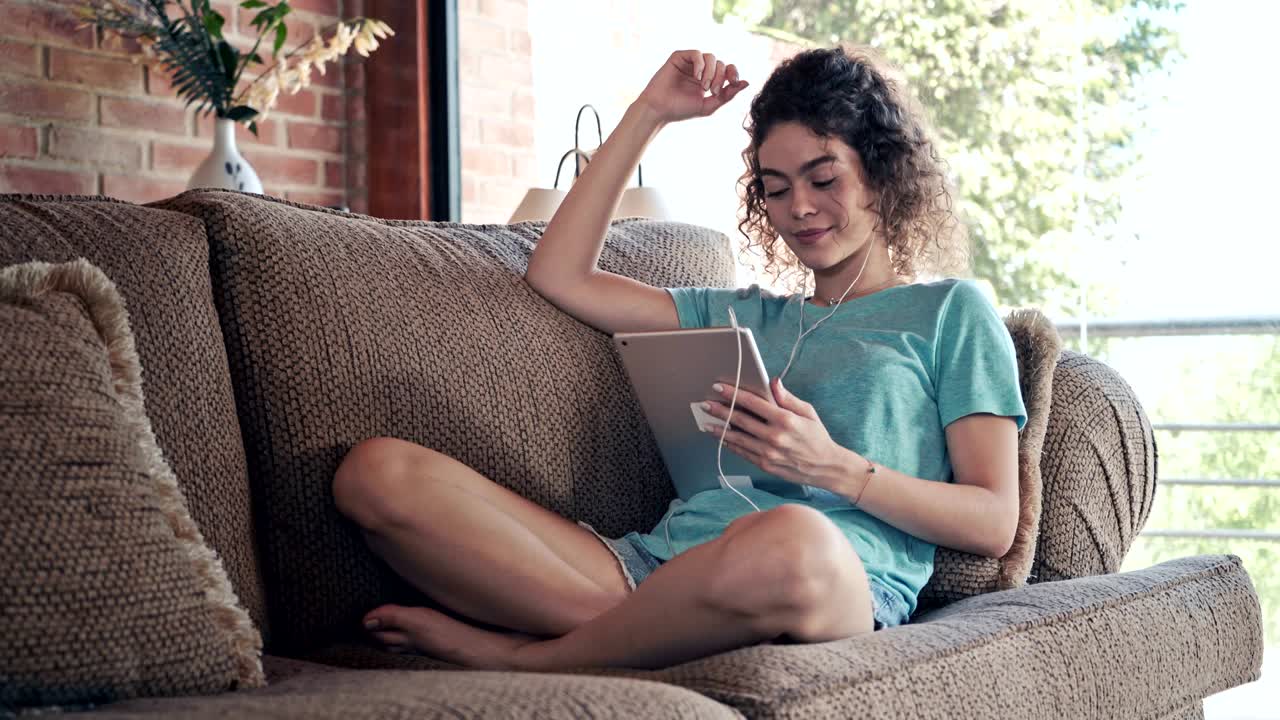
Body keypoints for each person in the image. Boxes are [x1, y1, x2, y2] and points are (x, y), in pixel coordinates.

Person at [332, 46, 1027, 672]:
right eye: (776, 187)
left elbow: (993, 521)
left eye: (823, 178)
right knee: (377, 474)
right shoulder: (739, 313)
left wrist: (834, 469)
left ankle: (529, 656)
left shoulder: (950, 313)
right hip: (651, 568)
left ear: (879, 173)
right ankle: (649, 632)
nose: (800, 209)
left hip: (825, 579)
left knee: (792, 536)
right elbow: (560, 274)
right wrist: (649, 114)